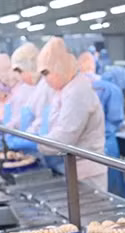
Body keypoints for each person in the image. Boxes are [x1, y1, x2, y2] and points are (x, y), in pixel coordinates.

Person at [36, 37, 107, 188]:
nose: (45, 79)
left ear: (60, 67)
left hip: (88, 171)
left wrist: (36, 144)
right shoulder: (64, 90)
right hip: (74, 167)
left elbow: (65, 137)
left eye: (47, 72)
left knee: (91, 211)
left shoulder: (78, 91)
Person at [91, 68, 125, 195]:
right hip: (107, 142)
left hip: (89, 143)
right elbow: (116, 118)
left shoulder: (91, 85)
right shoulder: (114, 90)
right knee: (113, 182)